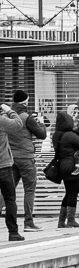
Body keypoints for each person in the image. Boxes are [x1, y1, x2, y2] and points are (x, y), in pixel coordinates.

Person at [7, 90, 47, 231]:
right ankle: (28, 222)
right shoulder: (27, 117)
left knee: (8, 190)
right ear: (25, 102)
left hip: (11, 158)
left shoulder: (8, 116)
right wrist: (41, 123)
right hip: (26, 158)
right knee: (29, 190)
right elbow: (42, 135)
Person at [52, 111, 79, 228]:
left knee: (68, 193)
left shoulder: (56, 135)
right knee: (73, 193)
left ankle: (61, 221)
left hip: (63, 166)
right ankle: (71, 220)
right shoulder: (69, 135)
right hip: (74, 167)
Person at [0, 102, 24, 241]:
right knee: (10, 199)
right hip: (4, 166)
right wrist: (9, 110)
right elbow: (18, 124)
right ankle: (13, 232)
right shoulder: (2, 120)